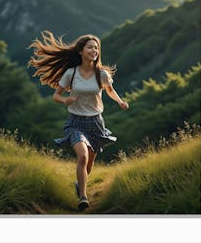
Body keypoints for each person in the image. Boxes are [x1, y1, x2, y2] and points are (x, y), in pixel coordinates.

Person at [28, 31, 129, 211]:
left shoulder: (102, 74)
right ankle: (83, 197)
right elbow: (56, 95)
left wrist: (120, 101)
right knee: (82, 155)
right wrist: (65, 100)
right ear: (81, 51)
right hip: (75, 123)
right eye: (90, 47)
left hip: (96, 123)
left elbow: (110, 90)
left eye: (96, 47)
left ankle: (79, 185)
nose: (94, 50)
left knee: (88, 165)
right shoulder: (71, 73)